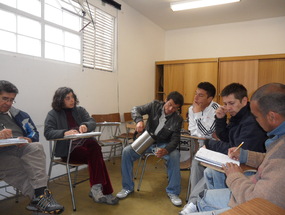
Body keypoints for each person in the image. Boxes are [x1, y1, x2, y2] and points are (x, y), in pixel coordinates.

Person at [184, 82, 285, 214]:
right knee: (208, 175)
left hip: (251, 181)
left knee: (212, 172)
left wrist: (235, 176)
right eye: (225, 104)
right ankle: (195, 204)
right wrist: (221, 119)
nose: (227, 108)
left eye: (231, 103)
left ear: (272, 117)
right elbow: (226, 138)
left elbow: (258, 202)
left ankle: (199, 205)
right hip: (252, 178)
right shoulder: (239, 118)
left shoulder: (251, 122)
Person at [44, 87, 118, 205]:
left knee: (94, 147)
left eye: (72, 97)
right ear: (60, 100)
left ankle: (97, 189)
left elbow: (92, 121)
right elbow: (48, 133)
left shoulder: (79, 110)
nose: (72, 100)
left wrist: (85, 125)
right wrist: (64, 132)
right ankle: (105, 191)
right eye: (68, 98)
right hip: (69, 150)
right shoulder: (53, 114)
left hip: (85, 144)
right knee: (96, 153)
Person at [0, 80, 64, 214]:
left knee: (36, 146)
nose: (8, 103)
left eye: (12, 100)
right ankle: (42, 199)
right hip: (2, 155)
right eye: (5, 99)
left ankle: (40, 196)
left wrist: (29, 139)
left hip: (20, 147)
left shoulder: (19, 114)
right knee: (25, 170)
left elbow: (34, 132)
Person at [116, 91, 184, 206]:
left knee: (175, 155)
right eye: (170, 104)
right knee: (126, 152)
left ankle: (173, 192)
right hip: (147, 140)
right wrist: (139, 121)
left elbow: (175, 140)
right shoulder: (154, 105)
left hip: (163, 144)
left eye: (175, 108)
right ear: (166, 99)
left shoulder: (178, 119)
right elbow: (135, 109)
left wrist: (166, 149)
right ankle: (127, 187)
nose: (171, 109)